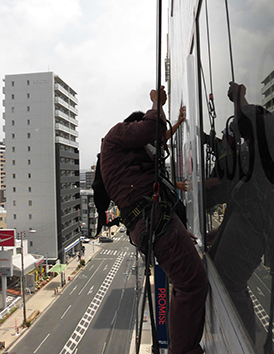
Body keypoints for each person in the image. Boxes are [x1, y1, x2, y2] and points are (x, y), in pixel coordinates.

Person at [100, 86, 207, 354]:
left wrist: (178, 122)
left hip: (154, 221)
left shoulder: (126, 159)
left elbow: (155, 139)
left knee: (185, 283)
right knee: (191, 284)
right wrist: (157, 103)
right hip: (153, 220)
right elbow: (150, 130)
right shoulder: (115, 135)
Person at [207, 82, 274, 343]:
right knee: (214, 265)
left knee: (228, 281)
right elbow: (241, 192)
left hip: (260, 220)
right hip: (257, 217)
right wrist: (220, 231)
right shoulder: (270, 144)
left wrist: (238, 97)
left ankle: (242, 342)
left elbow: (246, 121)